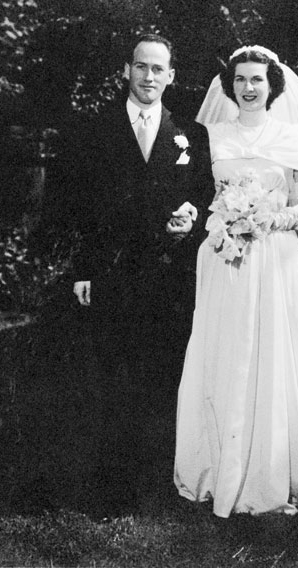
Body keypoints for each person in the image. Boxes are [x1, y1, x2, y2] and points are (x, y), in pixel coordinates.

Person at [174, 45, 298, 517]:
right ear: (229, 86)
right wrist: (221, 218)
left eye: (257, 80)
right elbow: (199, 194)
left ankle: (270, 477)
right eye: (240, 80)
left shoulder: (292, 136)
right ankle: (219, 469)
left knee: (273, 358)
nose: (248, 88)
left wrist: (275, 217)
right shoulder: (213, 135)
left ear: (272, 85)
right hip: (223, 259)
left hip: (275, 259)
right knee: (225, 357)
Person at [71, 33, 212, 516]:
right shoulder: (95, 130)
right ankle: (112, 492)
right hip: (113, 273)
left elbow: (203, 193)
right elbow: (80, 206)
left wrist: (190, 216)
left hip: (170, 277)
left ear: (171, 76)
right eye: (141, 67)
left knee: (163, 379)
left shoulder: (191, 133)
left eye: (159, 69)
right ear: (126, 71)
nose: (149, 77)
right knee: (112, 379)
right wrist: (83, 270)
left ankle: (160, 489)